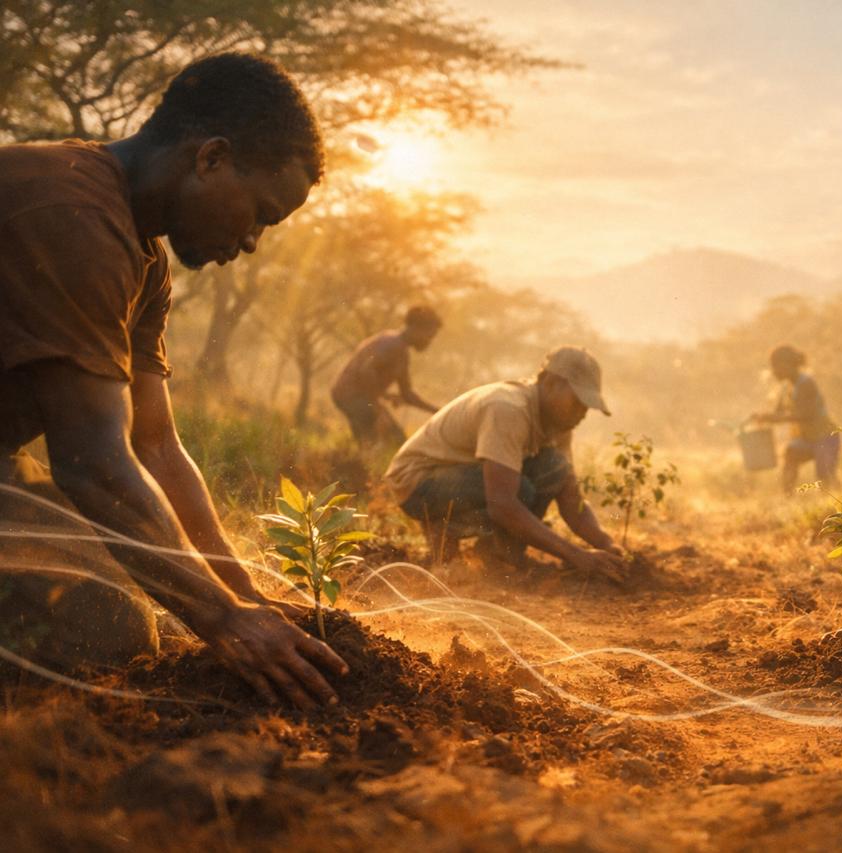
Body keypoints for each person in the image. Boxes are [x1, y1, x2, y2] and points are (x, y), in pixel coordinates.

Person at [0, 53, 348, 706]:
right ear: (210, 158)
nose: (252, 242)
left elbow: (154, 443)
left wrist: (240, 591)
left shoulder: (143, 258)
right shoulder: (74, 216)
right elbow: (94, 468)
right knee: (108, 625)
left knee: (130, 586)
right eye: (262, 215)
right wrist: (221, 620)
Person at [385, 346, 629, 582]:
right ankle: (444, 528)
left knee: (554, 468)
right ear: (550, 383)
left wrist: (607, 544)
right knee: (519, 491)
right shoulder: (507, 408)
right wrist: (577, 556)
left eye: (587, 406)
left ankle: (498, 555)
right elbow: (501, 503)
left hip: (462, 477)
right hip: (417, 482)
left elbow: (571, 500)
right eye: (577, 402)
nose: (582, 413)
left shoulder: (559, 423)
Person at [331, 305, 441, 446]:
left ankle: (355, 459)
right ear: (416, 328)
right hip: (350, 395)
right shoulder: (391, 344)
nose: (429, 341)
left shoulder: (402, 352)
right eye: (429, 335)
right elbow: (366, 369)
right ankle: (356, 460)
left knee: (394, 440)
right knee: (389, 440)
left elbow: (407, 394)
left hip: (359, 398)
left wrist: (439, 411)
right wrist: (377, 405)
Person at [753, 345, 840, 491]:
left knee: (825, 478)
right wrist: (762, 417)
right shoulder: (786, 386)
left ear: (788, 365)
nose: (774, 371)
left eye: (776, 366)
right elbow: (778, 412)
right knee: (790, 455)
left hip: (826, 437)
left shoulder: (806, 383)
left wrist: (773, 419)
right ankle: (787, 500)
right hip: (809, 438)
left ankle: (841, 505)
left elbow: (805, 414)